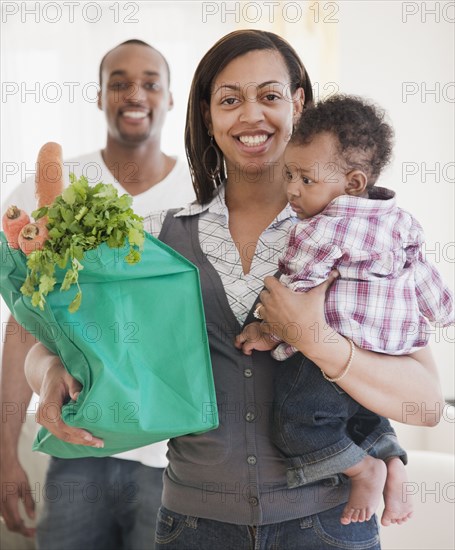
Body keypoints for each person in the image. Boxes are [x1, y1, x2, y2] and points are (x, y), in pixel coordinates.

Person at [24, 30, 443, 550]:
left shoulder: (359, 234)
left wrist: (312, 336)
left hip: (329, 528)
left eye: (269, 96)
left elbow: (427, 405)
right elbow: (60, 341)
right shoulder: (156, 234)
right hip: (193, 528)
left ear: (298, 104)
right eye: (229, 100)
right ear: (207, 116)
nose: (251, 117)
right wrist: (47, 375)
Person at [0, 39, 195, 550]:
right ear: (100, 95)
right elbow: (23, 325)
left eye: (151, 82)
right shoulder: (44, 192)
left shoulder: (203, 195)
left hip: (175, 455)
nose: (135, 93)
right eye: (120, 82)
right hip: (74, 447)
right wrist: (4, 453)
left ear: (171, 98)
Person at [235, 94, 454, 526]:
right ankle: (390, 457)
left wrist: (266, 330)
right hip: (386, 350)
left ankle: (364, 469)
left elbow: (295, 295)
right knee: (360, 410)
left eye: (306, 180)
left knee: (298, 423)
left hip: (329, 344)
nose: (292, 188)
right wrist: (443, 313)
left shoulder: (319, 230)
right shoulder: (400, 219)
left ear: (353, 183)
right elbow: (423, 274)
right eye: (289, 175)